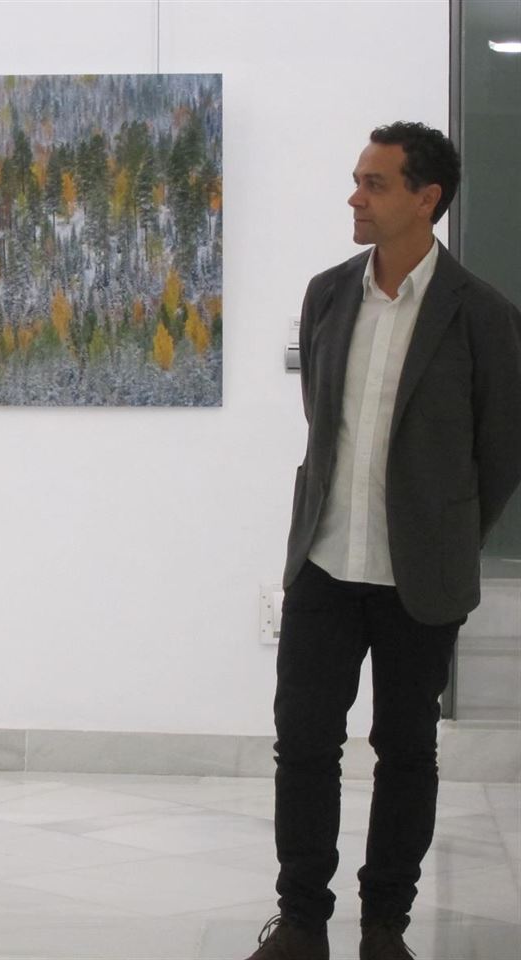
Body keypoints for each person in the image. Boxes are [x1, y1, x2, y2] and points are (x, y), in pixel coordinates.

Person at [243, 122, 521, 960]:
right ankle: (300, 920)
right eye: (357, 179)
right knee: (304, 743)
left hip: (419, 578)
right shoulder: (328, 294)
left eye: (374, 183)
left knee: (405, 751)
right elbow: (321, 424)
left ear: (425, 199)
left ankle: (384, 925)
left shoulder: (483, 314)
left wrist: (444, 535)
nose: (355, 197)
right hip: (326, 562)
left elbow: (501, 451)